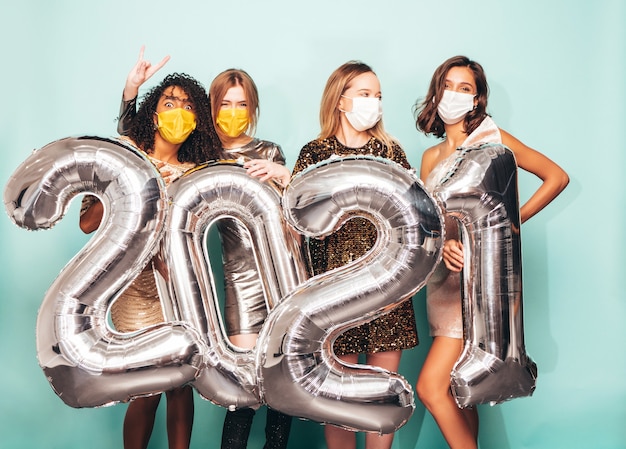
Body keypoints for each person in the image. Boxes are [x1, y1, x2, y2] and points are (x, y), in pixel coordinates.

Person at [117, 48, 293, 449]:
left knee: (282, 380)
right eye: (224, 104)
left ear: (252, 108)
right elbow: (135, 138)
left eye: (241, 104)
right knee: (241, 384)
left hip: (283, 271)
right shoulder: (204, 154)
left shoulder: (268, 151)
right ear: (209, 111)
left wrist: (285, 175)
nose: (233, 112)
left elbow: (297, 210)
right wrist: (132, 89)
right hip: (236, 281)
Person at [413, 55, 569, 449]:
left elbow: (557, 176)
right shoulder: (430, 157)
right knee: (463, 387)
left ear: (477, 99)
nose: (454, 94)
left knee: (431, 388)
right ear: (436, 91)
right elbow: (430, 223)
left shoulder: (491, 139)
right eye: (448, 85)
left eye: (464, 88)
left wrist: (511, 226)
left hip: (480, 284)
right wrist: (443, 243)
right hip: (442, 285)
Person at [80, 70, 222, 449]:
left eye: (189, 106)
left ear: (197, 122)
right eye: (169, 103)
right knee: (147, 385)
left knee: (182, 382)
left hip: (180, 287)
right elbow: (87, 222)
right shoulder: (125, 157)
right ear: (154, 114)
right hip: (135, 289)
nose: (179, 112)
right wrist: (141, 182)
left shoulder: (197, 173)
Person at [291, 61, 419, 449]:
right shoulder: (314, 153)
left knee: (382, 398)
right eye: (365, 94)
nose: (374, 103)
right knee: (340, 399)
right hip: (333, 292)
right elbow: (295, 222)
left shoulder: (391, 153)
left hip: (387, 289)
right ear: (341, 100)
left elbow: (414, 217)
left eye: (378, 96)